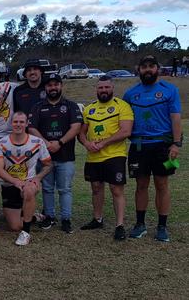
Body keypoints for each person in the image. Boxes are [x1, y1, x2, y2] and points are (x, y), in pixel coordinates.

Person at [124, 55, 182, 242]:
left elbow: (175, 118)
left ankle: (162, 227)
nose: (148, 70)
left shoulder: (170, 90)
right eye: (144, 67)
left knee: (162, 185)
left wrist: (176, 143)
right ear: (138, 69)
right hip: (139, 145)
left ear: (158, 68)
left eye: (151, 66)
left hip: (163, 145)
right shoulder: (130, 94)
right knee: (141, 185)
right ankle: (140, 224)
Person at [78, 76, 133, 241]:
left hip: (115, 155)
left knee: (116, 189)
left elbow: (125, 131)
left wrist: (104, 143)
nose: (103, 90)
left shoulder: (122, 106)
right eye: (100, 88)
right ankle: (97, 219)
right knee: (95, 187)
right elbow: (81, 132)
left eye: (107, 87)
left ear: (112, 88)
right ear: (96, 89)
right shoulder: (89, 109)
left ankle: (120, 225)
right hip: (93, 156)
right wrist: (87, 143)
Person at [28, 74, 82, 233]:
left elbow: (76, 127)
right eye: (50, 85)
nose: (53, 88)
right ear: (45, 88)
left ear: (61, 86)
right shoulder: (37, 106)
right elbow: (31, 128)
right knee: (47, 188)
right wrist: (46, 144)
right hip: (45, 158)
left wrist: (59, 142)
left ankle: (66, 219)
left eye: (56, 85)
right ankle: (49, 217)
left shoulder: (71, 106)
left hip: (66, 156)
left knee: (65, 189)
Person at [0, 112, 52, 246]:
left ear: (26, 124)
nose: (18, 124)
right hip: (9, 185)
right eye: (15, 122)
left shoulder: (37, 142)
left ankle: (26, 233)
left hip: (29, 183)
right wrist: (15, 181)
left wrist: (37, 178)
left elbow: (48, 165)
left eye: (21, 122)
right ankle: (33, 216)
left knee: (29, 190)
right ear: (11, 123)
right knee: (14, 226)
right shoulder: (2, 143)